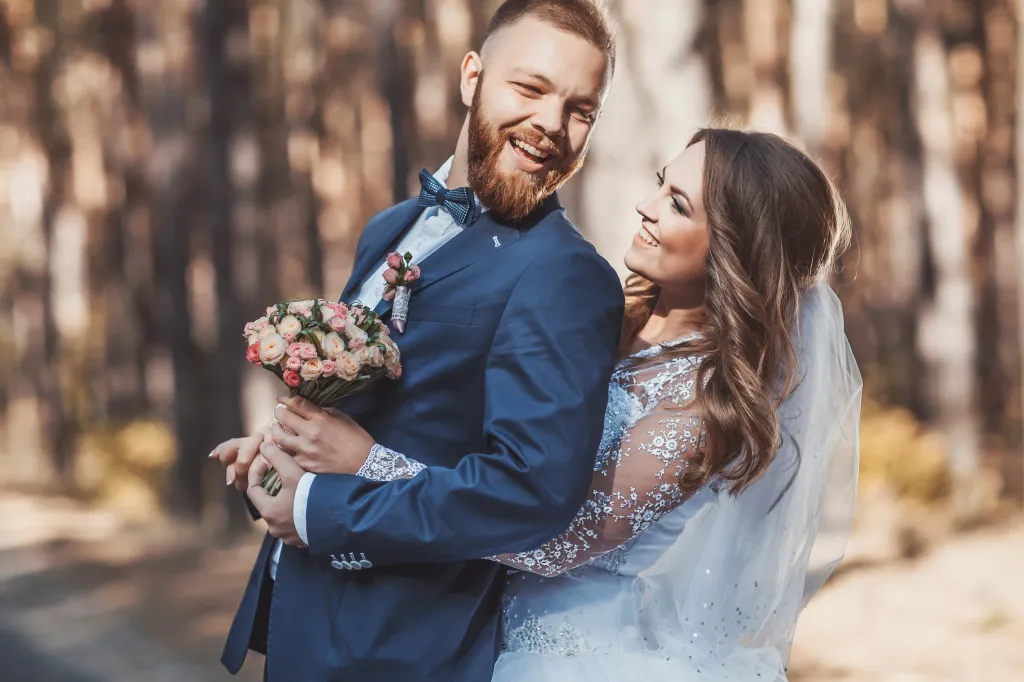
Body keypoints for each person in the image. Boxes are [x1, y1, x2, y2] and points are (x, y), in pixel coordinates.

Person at [273, 128, 862, 681]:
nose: (648, 206)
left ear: (737, 251)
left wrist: (368, 462)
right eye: (661, 182)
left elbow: (550, 538)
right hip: (476, 628)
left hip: (578, 654)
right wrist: (304, 428)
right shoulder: (598, 315)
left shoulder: (705, 407)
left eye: (678, 204)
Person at [212, 1, 623, 680]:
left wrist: (321, 509)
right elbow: (377, 405)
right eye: (530, 88)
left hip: (407, 649)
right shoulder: (389, 227)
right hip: (306, 623)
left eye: (582, 110)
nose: (552, 123)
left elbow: (530, 491)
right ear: (472, 78)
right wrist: (285, 446)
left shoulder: (566, 274)